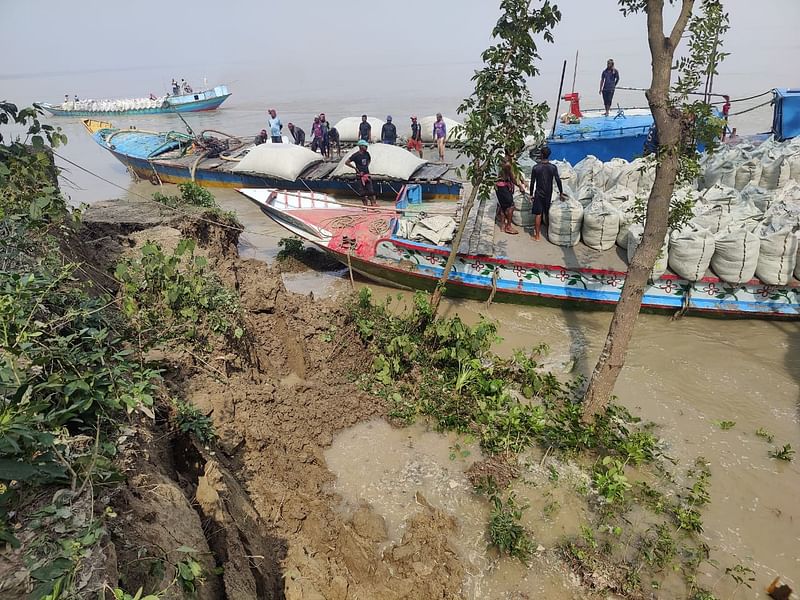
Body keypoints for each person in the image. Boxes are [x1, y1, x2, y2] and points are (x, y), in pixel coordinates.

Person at [529, 146, 564, 241]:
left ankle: (537, 236)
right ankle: (549, 234)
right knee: (547, 213)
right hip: (548, 192)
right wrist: (561, 193)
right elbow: (558, 180)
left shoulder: (536, 167)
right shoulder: (553, 167)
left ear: (541, 155)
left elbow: (532, 182)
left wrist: (531, 194)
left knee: (538, 214)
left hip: (539, 193)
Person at [495, 151, 528, 235]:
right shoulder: (507, 164)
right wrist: (520, 186)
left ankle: (502, 225)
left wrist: (522, 180)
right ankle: (508, 226)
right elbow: (513, 178)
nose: (515, 154)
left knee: (503, 206)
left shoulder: (504, 160)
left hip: (499, 186)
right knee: (511, 206)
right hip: (503, 186)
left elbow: (516, 171)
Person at [345, 140, 376, 206]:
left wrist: (366, 166)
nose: (366, 147)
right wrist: (355, 168)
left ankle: (373, 204)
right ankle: (365, 206)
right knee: (362, 192)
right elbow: (347, 162)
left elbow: (369, 160)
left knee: (371, 191)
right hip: (360, 176)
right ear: (360, 146)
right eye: (365, 146)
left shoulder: (367, 153)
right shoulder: (356, 155)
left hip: (366, 174)